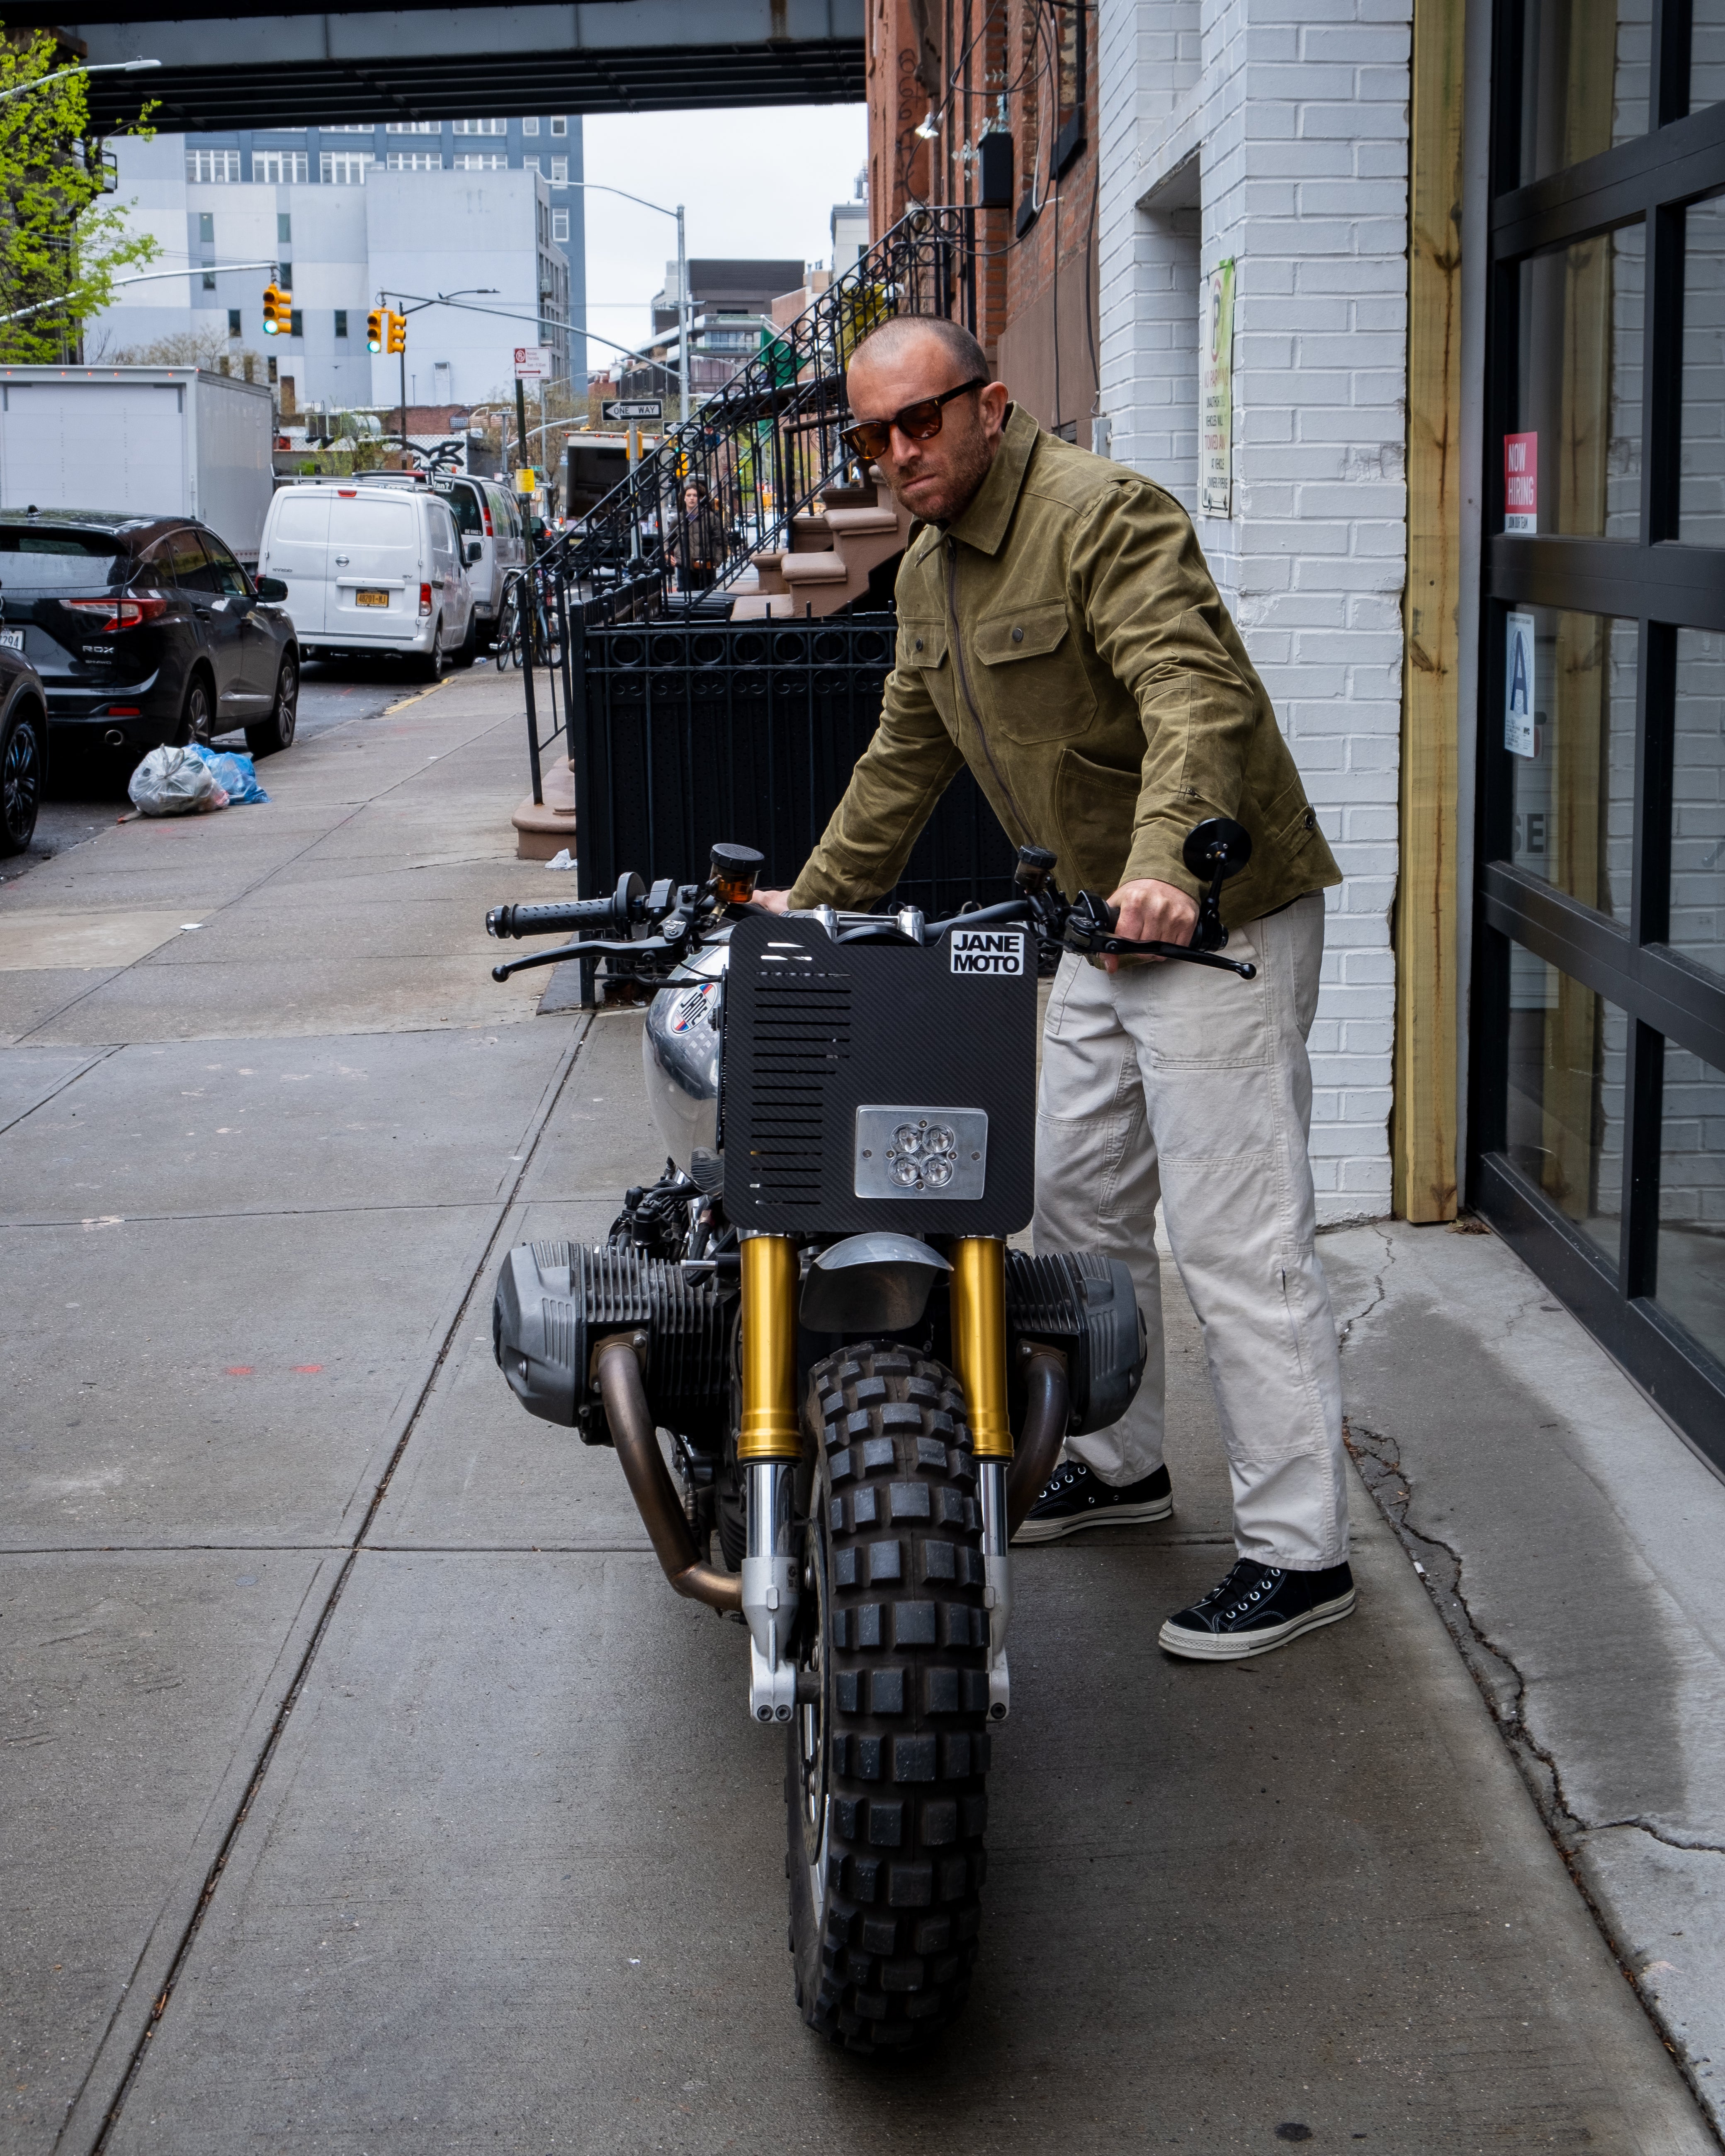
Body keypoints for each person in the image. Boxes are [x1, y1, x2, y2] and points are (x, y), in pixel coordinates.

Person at [755, 314, 1355, 1662]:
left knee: (1237, 1237)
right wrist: (815, 902)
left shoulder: (1102, 516)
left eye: (922, 420)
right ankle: (1122, 1465)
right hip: (1096, 923)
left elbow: (1195, 695)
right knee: (1078, 1206)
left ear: (990, 405)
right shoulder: (926, 575)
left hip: (1211, 915)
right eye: (874, 435)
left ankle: (1302, 1551)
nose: (900, 451)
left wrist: (1166, 869)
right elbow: (902, 759)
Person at [669, 481, 725, 592]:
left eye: (695, 496)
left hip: (706, 567)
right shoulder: (678, 519)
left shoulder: (711, 518)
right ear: (684, 498)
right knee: (687, 603)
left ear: (700, 499)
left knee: (707, 601)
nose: (692, 498)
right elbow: (668, 541)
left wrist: (717, 561)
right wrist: (667, 555)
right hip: (684, 568)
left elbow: (722, 542)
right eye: (689, 495)